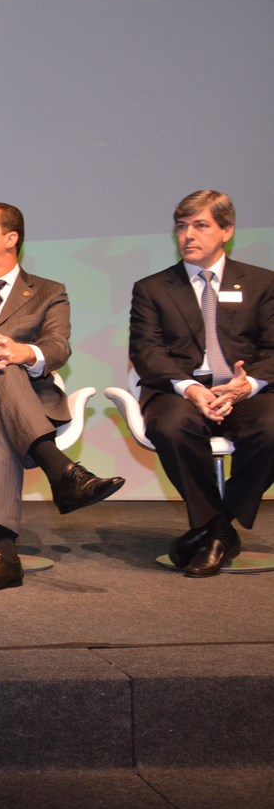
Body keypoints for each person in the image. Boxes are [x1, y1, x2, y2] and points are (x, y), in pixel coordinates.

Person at [0, 202, 124, 593]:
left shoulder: (51, 292)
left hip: (26, 406)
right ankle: (62, 470)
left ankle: (2, 554)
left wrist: (21, 353)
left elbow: (57, 347)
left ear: (11, 238)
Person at [128, 190, 274, 577]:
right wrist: (190, 388)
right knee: (171, 427)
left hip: (244, 391)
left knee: (272, 427)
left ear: (227, 230)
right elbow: (146, 352)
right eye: (181, 227)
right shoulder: (153, 288)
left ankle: (212, 527)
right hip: (180, 389)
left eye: (200, 225)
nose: (188, 235)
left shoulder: (262, 283)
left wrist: (248, 385)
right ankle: (220, 531)